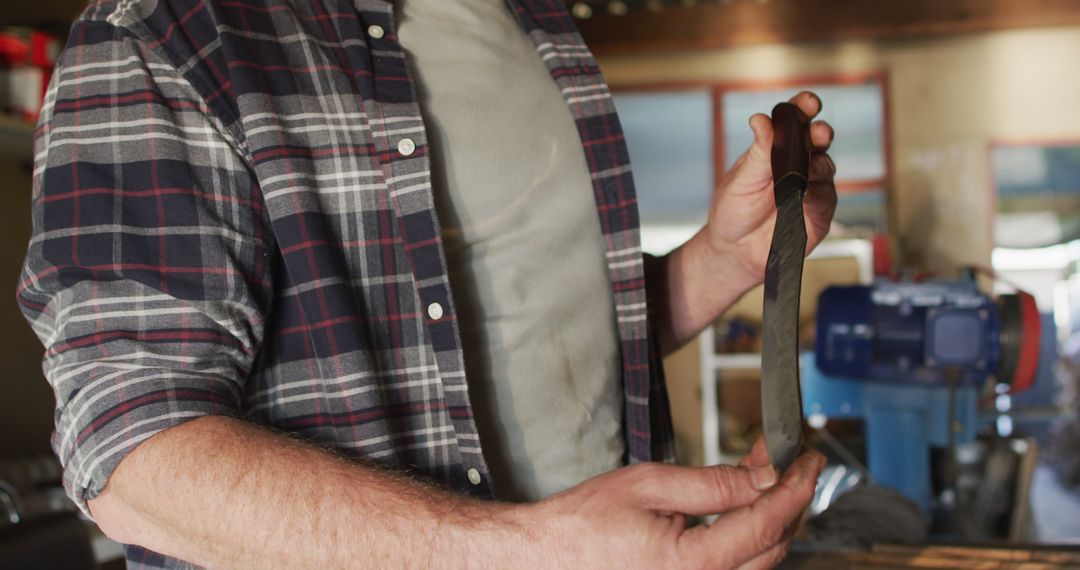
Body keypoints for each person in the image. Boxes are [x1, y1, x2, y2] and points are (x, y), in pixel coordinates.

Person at [17, 0, 837, 567]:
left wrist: (722, 260)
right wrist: (527, 556)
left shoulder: (531, 21)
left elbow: (527, 325)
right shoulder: (163, 32)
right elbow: (132, 460)